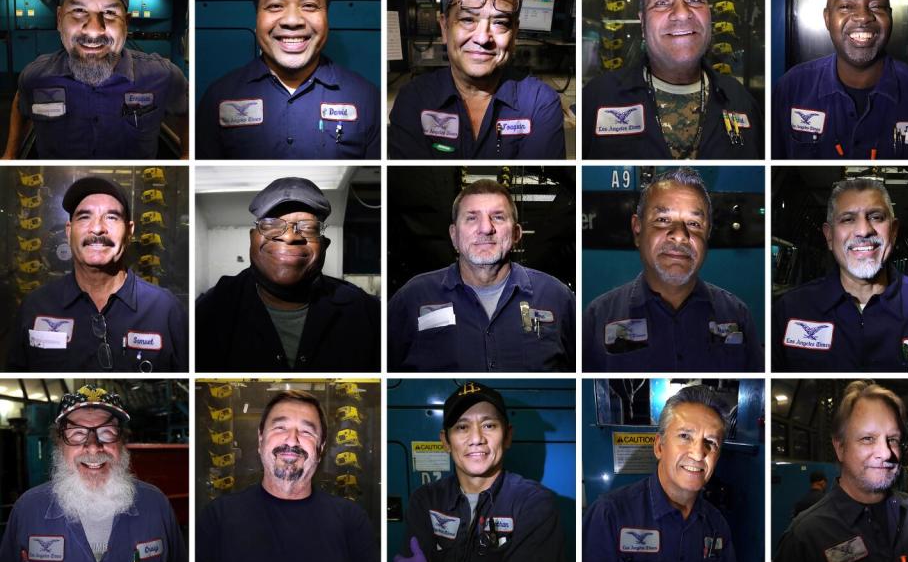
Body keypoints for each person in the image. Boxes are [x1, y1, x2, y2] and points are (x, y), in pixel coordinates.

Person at [2, 0, 188, 160]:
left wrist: (187, 155)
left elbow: (185, 109)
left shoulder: (164, 76)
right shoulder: (35, 77)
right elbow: (21, 102)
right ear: (59, 19)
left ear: (126, 23)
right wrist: (10, 155)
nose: (93, 30)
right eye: (79, 10)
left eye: (109, 13)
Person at [0, 385, 187, 562]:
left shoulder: (156, 505)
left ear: (122, 442)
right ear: (59, 444)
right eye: (77, 433)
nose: (93, 446)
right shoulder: (27, 510)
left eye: (106, 432)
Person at [198, 0, 379, 159]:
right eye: (275, 6)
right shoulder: (218, 96)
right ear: (257, 16)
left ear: (327, 15)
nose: (292, 21)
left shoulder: (367, 99)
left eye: (309, 5)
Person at [583, 167, 762, 372]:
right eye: (663, 220)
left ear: (708, 234)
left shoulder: (737, 315)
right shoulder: (597, 318)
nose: (679, 235)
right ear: (637, 229)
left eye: (694, 223)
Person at [773, 177, 908, 372]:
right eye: (848, 219)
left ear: (894, 231)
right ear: (829, 236)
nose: (863, 231)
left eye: (876, 217)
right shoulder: (790, 310)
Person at [582, 0, 762, 160]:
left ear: (709, 13)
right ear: (642, 23)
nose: (683, 13)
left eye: (694, 0)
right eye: (662, 3)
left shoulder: (741, 100)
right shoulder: (596, 99)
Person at [391, 381, 566, 562]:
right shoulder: (426, 499)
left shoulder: (534, 502)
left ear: (508, 436)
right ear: (445, 441)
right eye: (462, 427)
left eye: (488, 425)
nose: (476, 438)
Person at [197, 390, 378, 562]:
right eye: (280, 428)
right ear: (260, 440)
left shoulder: (352, 521)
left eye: (307, 431)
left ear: (321, 448)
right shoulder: (217, 518)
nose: (292, 440)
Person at [387, 179, 574, 372]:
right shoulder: (412, 298)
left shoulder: (557, 297)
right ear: (454, 235)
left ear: (516, 234)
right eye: (471, 218)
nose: (486, 228)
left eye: (498, 217)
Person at [388, 0, 565, 159]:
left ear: (514, 34)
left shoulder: (540, 103)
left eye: (500, 23)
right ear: (445, 28)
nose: (482, 38)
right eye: (467, 19)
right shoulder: (413, 100)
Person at [196, 177, 379, 372]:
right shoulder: (210, 311)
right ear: (252, 238)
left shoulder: (366, 312)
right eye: (271, 225)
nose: (290, 236)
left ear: (324, 245)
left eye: (307, 227)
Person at [773, 0, 908, 159]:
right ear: (827, 18)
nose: (863, 17)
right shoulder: (791, 88)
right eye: (846, 6)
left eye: (877, 6)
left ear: (890, 17)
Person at [7, 176, 187, 372]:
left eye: (111, 217)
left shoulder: (165, 310)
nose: (97, 228)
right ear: (68, 231)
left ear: (129, 231)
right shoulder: (35, 306)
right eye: (84, 217)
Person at [773, 381, 908, 562]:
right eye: (868, 438)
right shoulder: (805, 537)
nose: (886, 453)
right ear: (840, 447)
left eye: (892, 439)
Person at [583, 384, 740, 562]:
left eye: (710, 442)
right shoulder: (609, 515)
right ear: (659, 446)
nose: (699, 453)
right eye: (685, 436)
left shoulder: (717, 526)